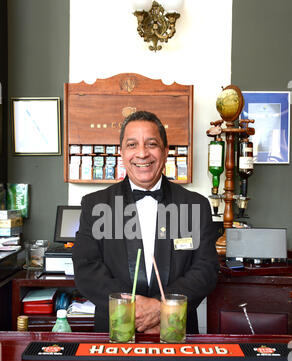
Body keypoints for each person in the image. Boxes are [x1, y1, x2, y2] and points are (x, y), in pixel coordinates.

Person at [72, 110, 219, 334]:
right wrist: (133, 309)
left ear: (165, 151)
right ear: (121, 153)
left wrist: (162, 308)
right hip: (114, 330)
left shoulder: (195, 205)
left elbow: (206, 270)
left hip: (176, 332)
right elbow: (86, 269)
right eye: (132, 145)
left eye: (151, 144)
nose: (142, 153)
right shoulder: (95, 205)